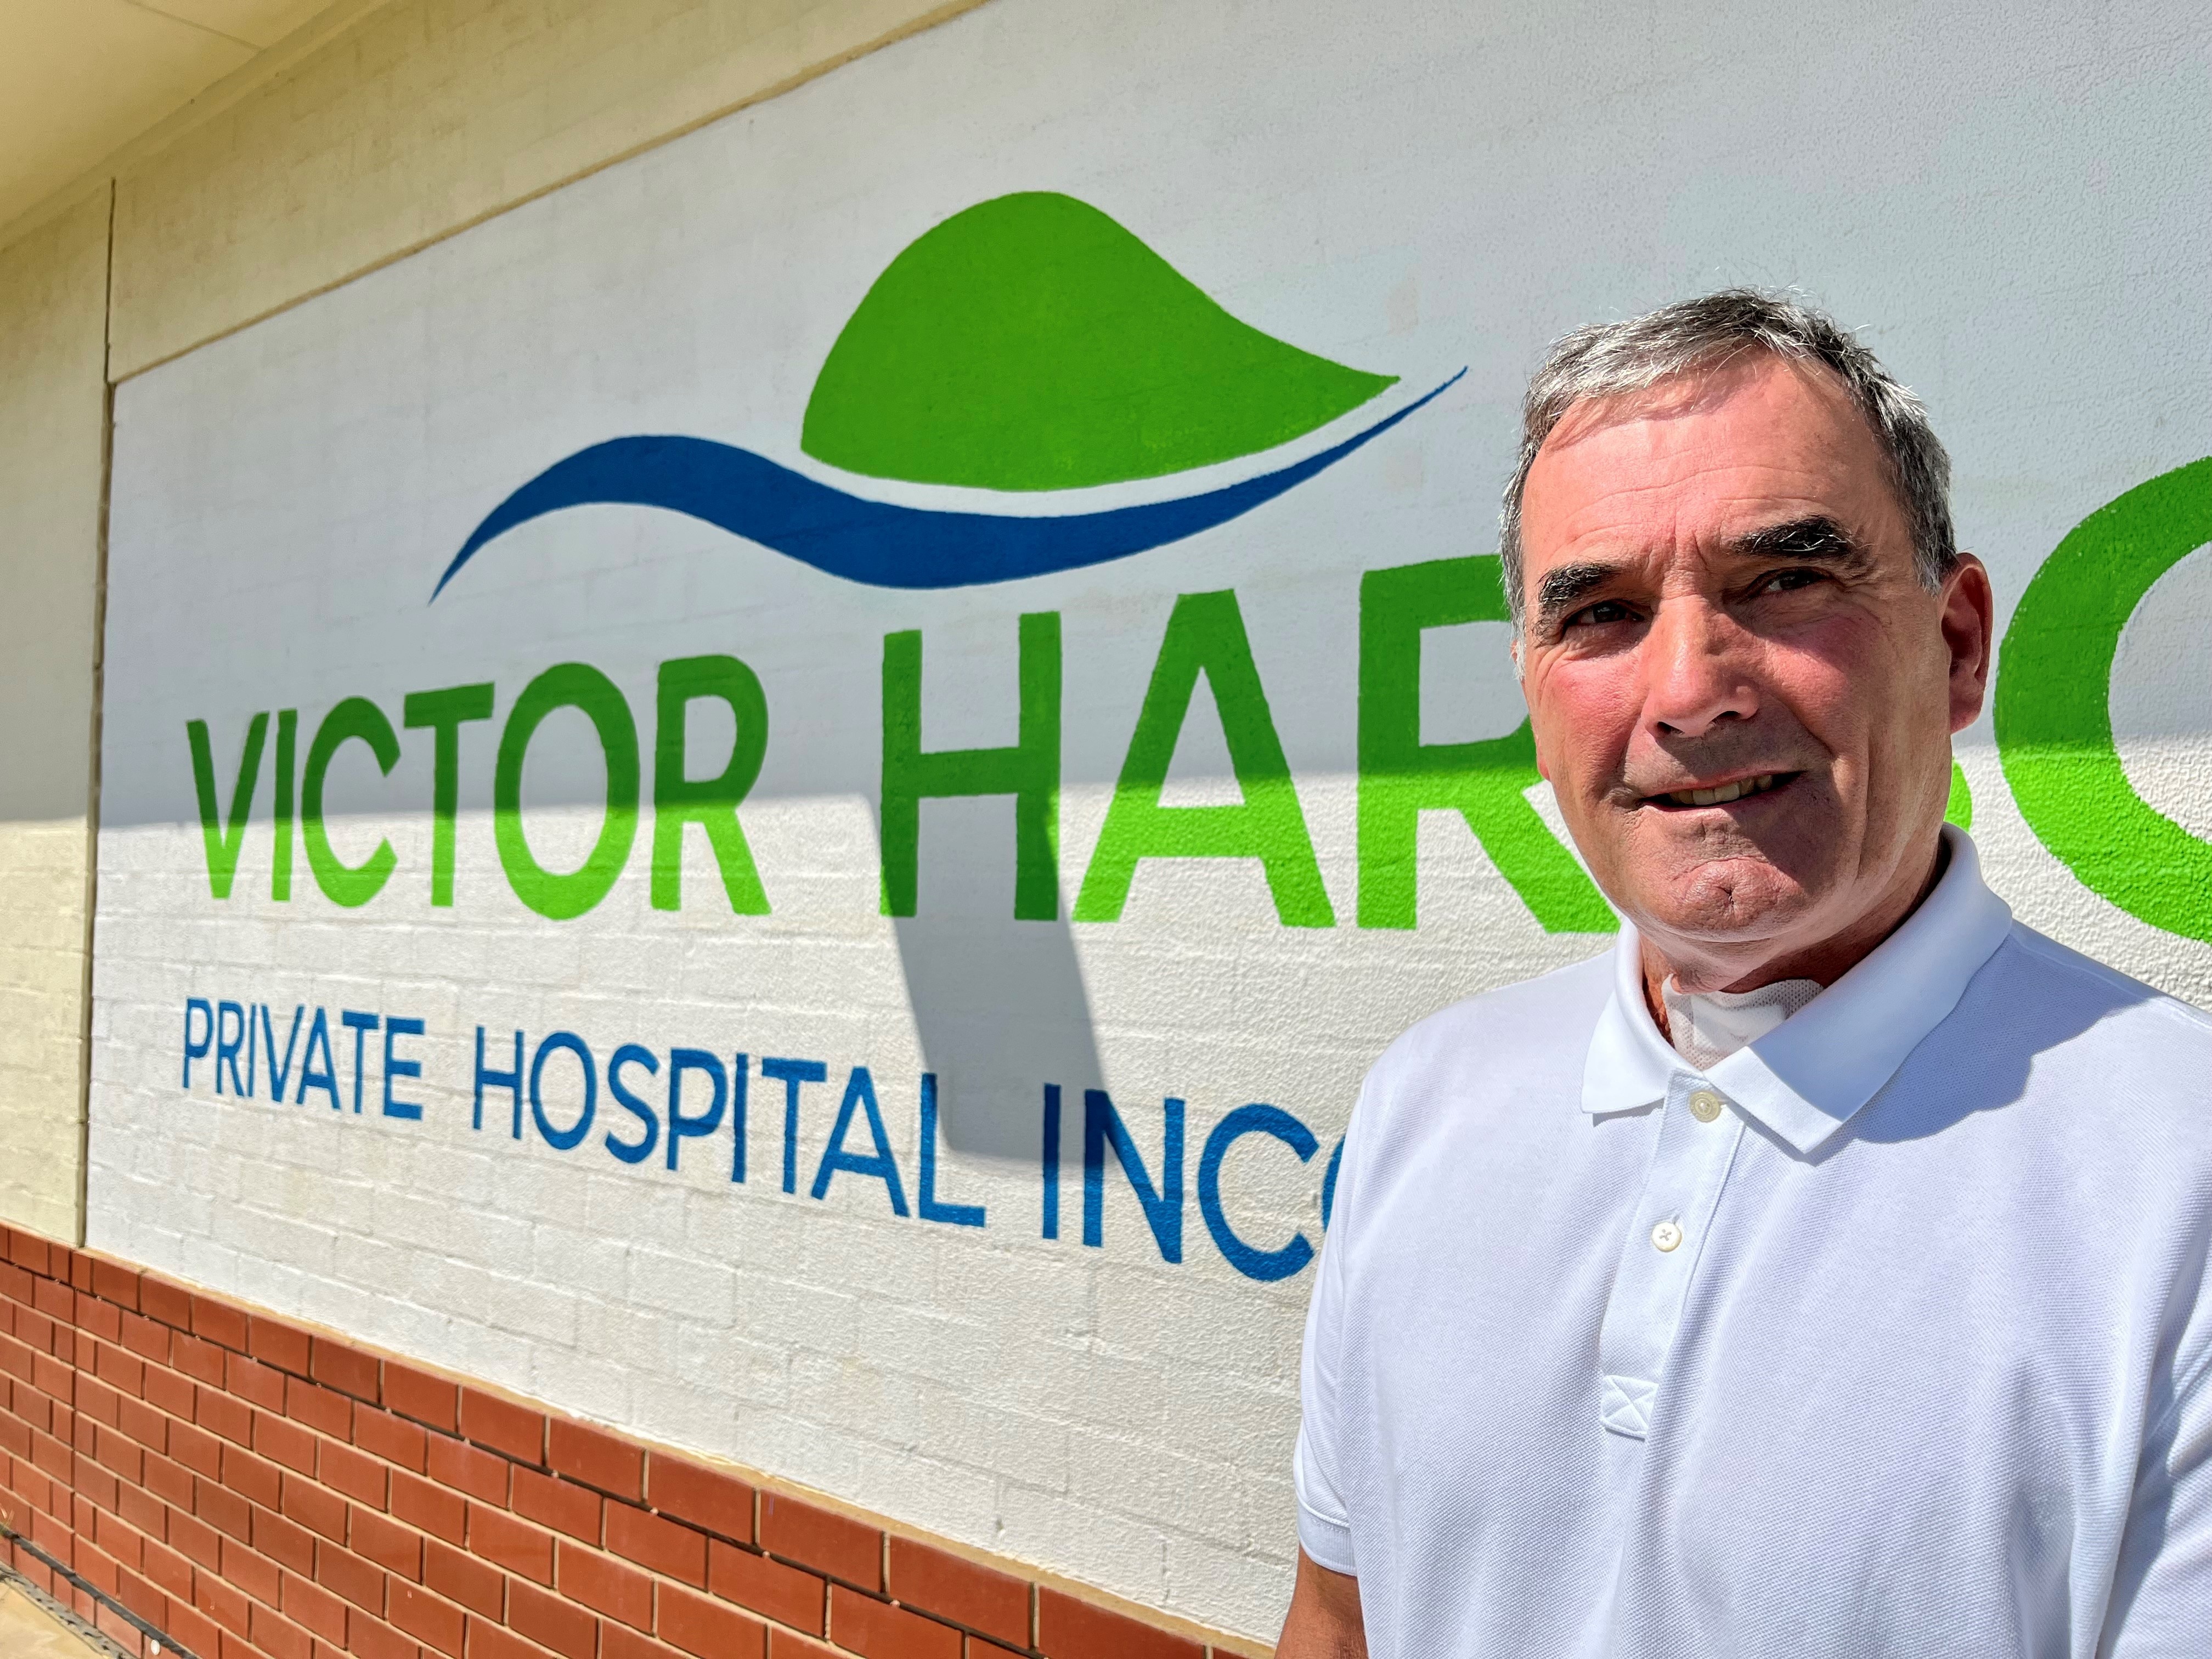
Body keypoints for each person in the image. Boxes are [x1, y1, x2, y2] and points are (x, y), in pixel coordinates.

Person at [1278, 291, 2212, 1658]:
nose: (1689, 691)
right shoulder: (1429, 1097)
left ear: (1957, 644)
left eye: (1784, 580)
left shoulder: (2178, 1177)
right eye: (1597, 612)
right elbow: (1337, 1620)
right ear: (1534, 687)